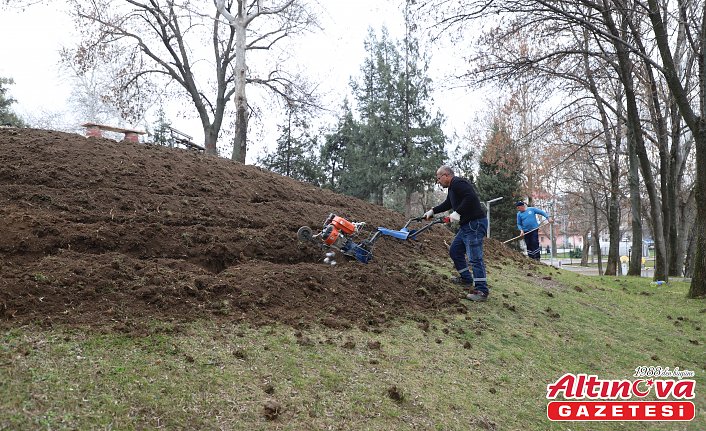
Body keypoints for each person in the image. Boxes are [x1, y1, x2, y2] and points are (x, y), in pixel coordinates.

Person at [424, 165, 489, 302]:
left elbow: (470, 197)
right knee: (455, 251)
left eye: (439, 178)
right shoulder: (452, 188)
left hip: (475, 224)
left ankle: (482, 290)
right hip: (467, 226)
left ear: (446, 175)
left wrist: (457, 213)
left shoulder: (459, 183)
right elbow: (448, 203)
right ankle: (466, 279)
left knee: (475, 258)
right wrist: (432, 211)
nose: (438, 182)